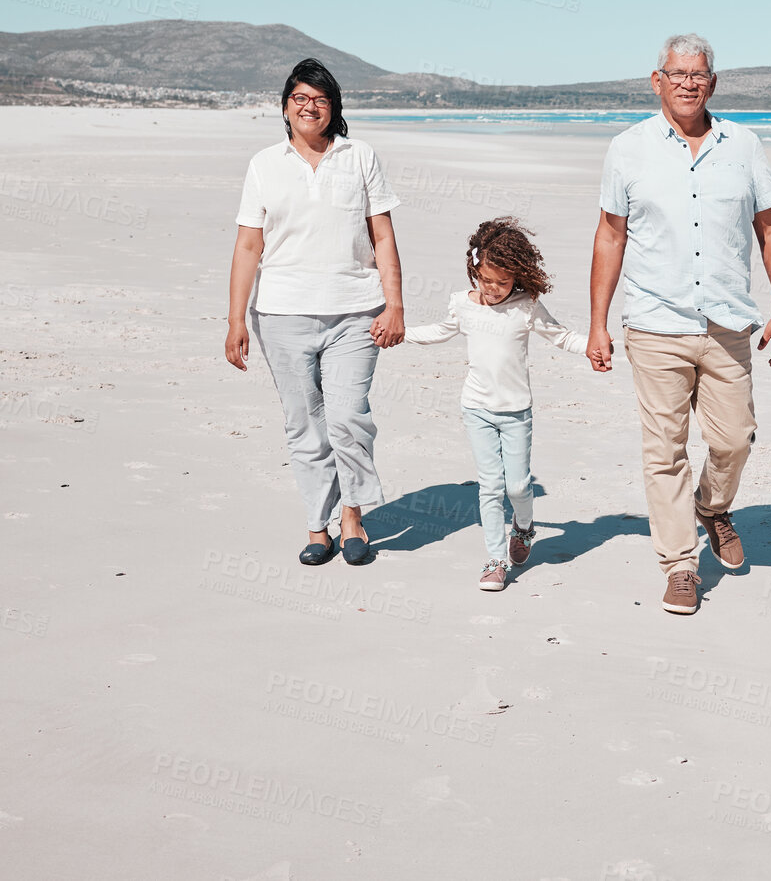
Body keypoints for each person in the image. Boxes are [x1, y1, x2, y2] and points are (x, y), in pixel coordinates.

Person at [586, 33, 771, 615]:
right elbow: (610, 235)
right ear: (657, 81)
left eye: (697, 74)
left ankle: (712, 506)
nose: (687, 83)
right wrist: (597, 324)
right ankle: (680, 565)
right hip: (655, 323)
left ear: (712, 82)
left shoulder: (744, 146)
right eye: (676, 73)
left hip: (728, 323)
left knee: (733, 439)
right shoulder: (628, 149)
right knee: (664, 451)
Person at [224, 58, 405, 566]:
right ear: (285, 107)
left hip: (356, 313)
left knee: (347, 418)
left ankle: (352, 515)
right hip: (281, 315)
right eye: (300, 98)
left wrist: (395, 305)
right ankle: (317, 525)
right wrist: (236, 320)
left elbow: (383, 235)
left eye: (320, 99)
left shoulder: (360, 156)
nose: (310, 106)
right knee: (304, 425)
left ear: (333, 108)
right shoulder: (264, 165)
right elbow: (246, 246)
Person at [401, 218, 585, 591]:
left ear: (518, 277)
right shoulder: (462, 305)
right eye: (487, 280)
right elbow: (439, 332)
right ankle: (496, 560)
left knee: (517, 487)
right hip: (476, 410)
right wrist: (401, 333)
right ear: (474, 270)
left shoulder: (527, 306)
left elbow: (562, 337)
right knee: (489, 486)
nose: (495, 289)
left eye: (504, 283)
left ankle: (524, 527)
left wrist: (595, 347)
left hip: (517, 412)